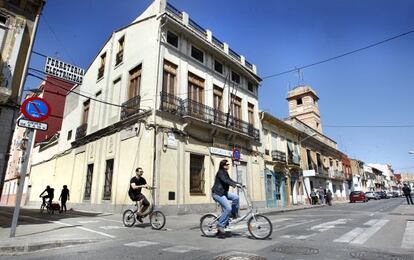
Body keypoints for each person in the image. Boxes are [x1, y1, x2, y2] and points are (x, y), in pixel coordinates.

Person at [211, 159, 243, 238]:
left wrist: (238, 184)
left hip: (223, 192)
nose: (228, 165)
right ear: (223, 165)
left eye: (228, 164)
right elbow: (225, 180)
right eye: (227, 164)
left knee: (236, 197)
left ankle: (233, 214)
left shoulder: (225, 172)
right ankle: (221, 225)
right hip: (217, 193)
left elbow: (229, 180)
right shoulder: (220, 172)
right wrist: (234, 185)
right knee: (228, 208)